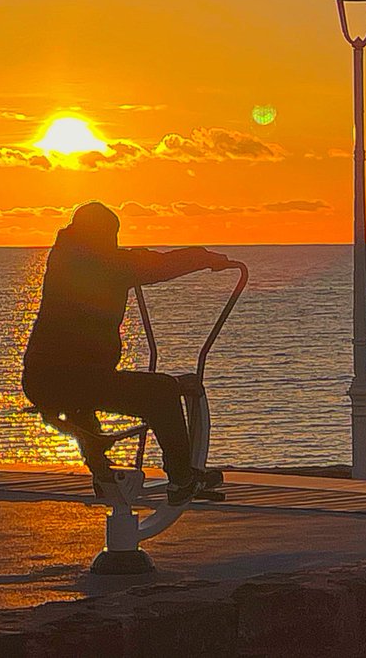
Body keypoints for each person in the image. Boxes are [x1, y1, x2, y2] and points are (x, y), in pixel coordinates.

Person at [23, 201, 234, 505]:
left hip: (44, 380)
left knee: (86, 405)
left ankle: (101, 472)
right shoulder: (101, 264)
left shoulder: (65, 257)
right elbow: (155, 266)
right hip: (71, 379)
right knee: (160, 391)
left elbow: (133, 263)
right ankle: (182, 479)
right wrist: (203, 257)